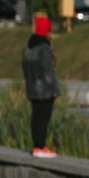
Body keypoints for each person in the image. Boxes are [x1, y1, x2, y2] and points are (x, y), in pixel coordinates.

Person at [21, 13, 61, 157]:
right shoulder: (43, 48)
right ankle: (41, 146)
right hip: (44, 90)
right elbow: (48, 71)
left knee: (35, 117)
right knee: (43, 118)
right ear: (46, 31)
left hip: (32, 89)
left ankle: (36, 147)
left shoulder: (28, 49)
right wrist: (55, 90)